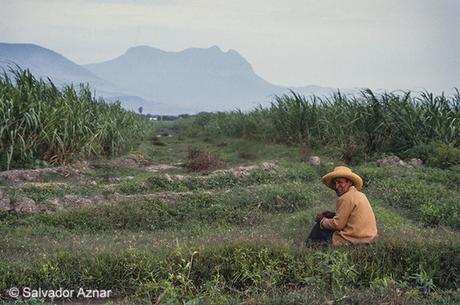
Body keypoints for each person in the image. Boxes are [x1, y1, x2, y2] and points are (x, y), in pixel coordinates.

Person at [306, 166, 377, 246]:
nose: (336, 186)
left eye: (340, 182)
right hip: (369, 239)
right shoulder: (360, 195)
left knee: (319, 227)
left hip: (354, 240)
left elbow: (337, 225)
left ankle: (307, 250)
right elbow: (352, 216)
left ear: (349, 182)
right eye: (335, 183)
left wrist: (322, 220)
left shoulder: (346, 197)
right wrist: (333, 215)